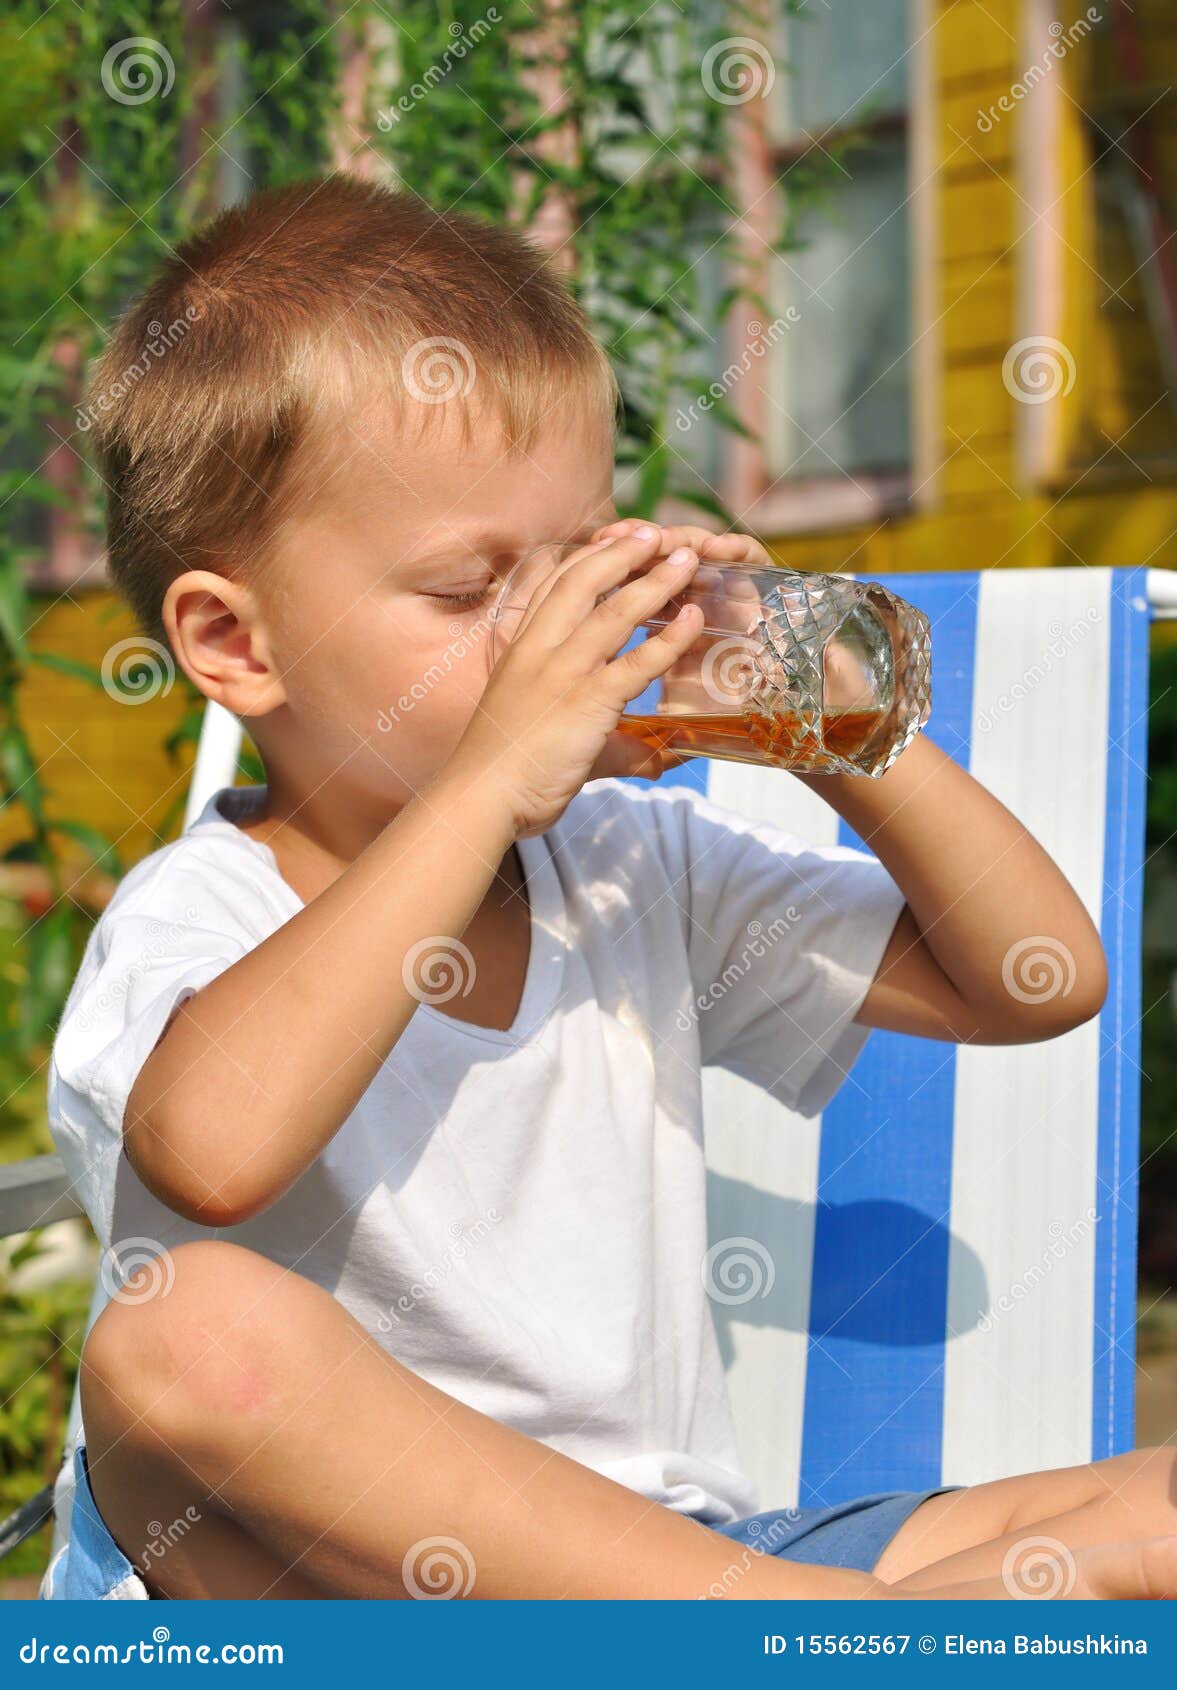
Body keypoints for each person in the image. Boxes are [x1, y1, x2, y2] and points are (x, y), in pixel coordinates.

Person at [42, 174, 1177, 1602]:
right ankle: (832, 1633)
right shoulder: (200, 911)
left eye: (578, 560)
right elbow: (209, 1151)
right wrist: (476, 788)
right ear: (234, 646)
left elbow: (1037, 977)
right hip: (321, 1593)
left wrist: (831, 723)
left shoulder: (633, 873)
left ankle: (830, 1626)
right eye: (469, 593)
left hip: (674, 1562)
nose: (558, 637)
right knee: (178, 1338)